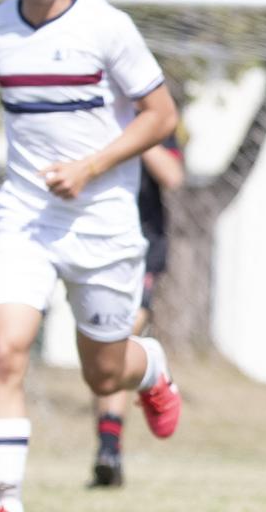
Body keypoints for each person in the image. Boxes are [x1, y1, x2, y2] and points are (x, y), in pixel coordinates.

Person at [0, 0, 182, 512]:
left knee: (103, 375)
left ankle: (152, 369)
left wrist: (91, 165)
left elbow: (161, 116)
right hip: (26, 215)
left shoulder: (107, 27)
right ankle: (6, 500)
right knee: (3, 353)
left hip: (104, 220)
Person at [88, 136, 185, 488]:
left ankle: (109, 449)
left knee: (119, 338)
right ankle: (108, 448)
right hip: (87, 240)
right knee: (98, 352)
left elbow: (172, 174)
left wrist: (134, 137)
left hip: (139, 244)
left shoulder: (148, 111)